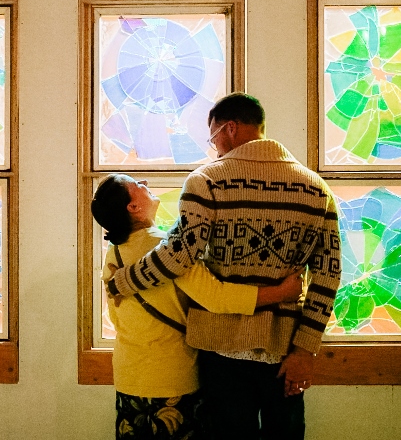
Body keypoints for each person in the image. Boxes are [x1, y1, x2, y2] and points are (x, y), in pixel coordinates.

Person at [105, 93, 342, 440]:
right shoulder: (317, 190)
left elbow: (179, 255)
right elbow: (328, 274)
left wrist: (124, 281)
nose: (214, 147)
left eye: (213, 136)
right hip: (285, 350)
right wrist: (305, 349)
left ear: (230, 128)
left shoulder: (206, 181)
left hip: (220, 352)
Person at [92, 173, 305, 439]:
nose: (144, 183)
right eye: (136, 184)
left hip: (128, 375)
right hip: (172, 375)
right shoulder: (167, 250)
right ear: (132, 207)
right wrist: (281, 292)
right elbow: (216, 297)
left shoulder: (114, 251)